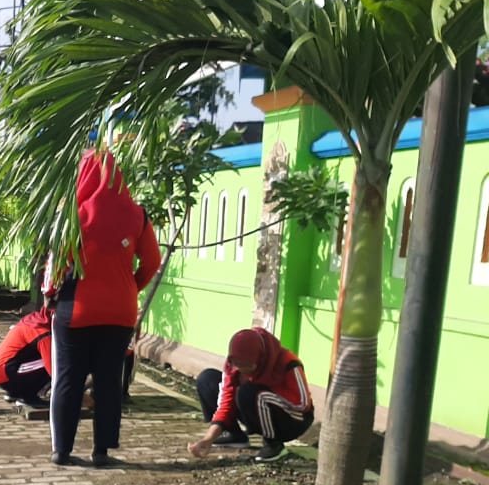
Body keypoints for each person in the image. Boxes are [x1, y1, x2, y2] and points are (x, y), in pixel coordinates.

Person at [48, 150, 162, 467]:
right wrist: (128, 289)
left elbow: (57, 266)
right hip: (119, 313)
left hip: (77, 311)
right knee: (108, 381)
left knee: (68, 380)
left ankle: (62, 450)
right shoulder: (137, 214)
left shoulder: (72, 215)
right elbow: (152, 262)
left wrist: (50, 295)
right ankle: (102, 451)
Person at [188, 327, 314, 463]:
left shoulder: (287, 362)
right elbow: (226, 403)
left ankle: (273, 444)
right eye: (238, 366)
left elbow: (303, 404)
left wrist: (268, 393)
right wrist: (208, 439)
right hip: (255, 406)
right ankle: (234, 435)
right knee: (207, 379)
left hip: (292, 420)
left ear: (260, 359)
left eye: (249, 367)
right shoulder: (233, 365)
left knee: (250, 392)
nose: (243, 371)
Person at [0, 305, 53, 407]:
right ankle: (28, 397)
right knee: (57, 363)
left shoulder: (31, 320)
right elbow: (53, 369)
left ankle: (15, 393)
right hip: (8, 376)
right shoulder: (43, 333)